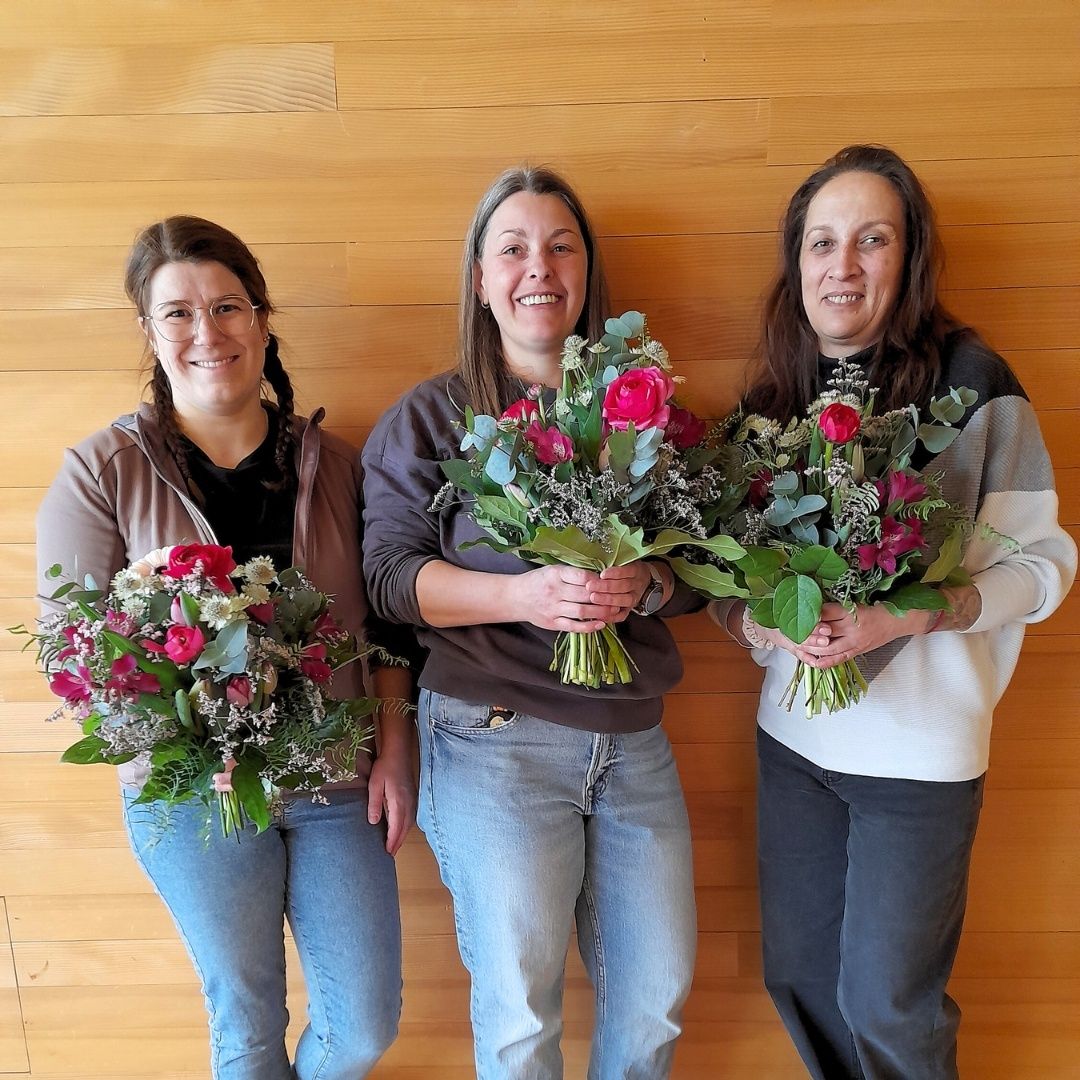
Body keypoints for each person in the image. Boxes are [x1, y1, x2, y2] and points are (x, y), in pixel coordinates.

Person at [714, 145, 1077, 1079]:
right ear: (796, 266)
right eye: (822, 243)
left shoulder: (978, 392)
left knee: (888, 1006)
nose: (843, 265)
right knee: (798, 978)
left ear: (908, 257)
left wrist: (915, 616)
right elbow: (728, 590)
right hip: (795, 747)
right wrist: (764, 624)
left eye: (871, 239)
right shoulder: (768, 406)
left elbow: (1046, 570)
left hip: (919, 761)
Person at [35, 216, 416, 1080]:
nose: (206, 333)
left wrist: (395, 746)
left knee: (362, 1027)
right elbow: (71, 653)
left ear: (262, 319)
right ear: (148, 331)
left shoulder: (338, 465)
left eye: (227, 307)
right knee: (247, 1029)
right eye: (177, 313)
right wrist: (178, 741)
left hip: (335, 782)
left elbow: (388, 629)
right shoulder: (102, 471)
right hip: (192, 794)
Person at [361, 166, 698, 1080]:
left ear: (587, 273)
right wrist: (525, 595)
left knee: (657, 999)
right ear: (479, 278)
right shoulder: (429, 417)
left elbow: (704, 565)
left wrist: (651, 586)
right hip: (492, 741)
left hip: (632, 742)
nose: (537, 267)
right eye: (511, 248)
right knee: (520, 1015)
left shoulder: (646, 409)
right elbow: (390, 581)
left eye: (560, 246)